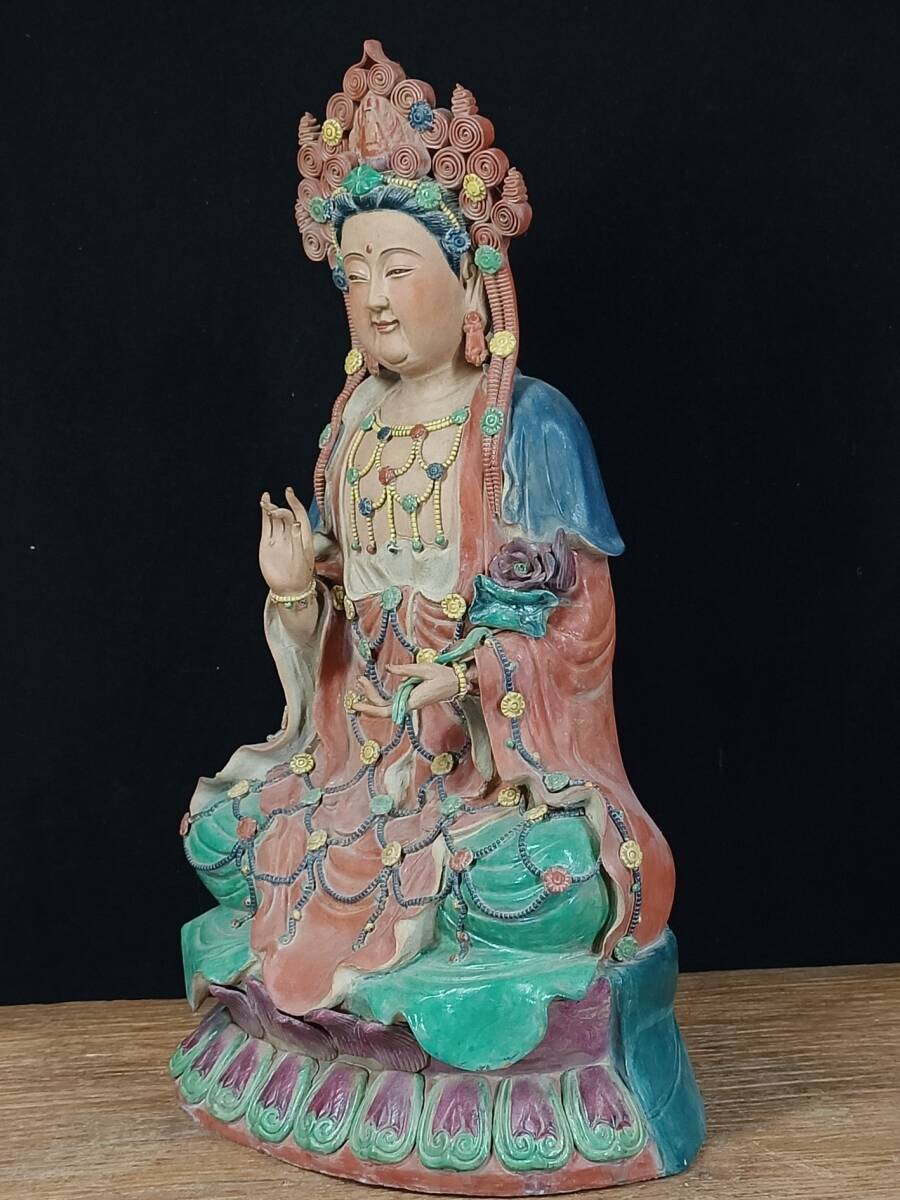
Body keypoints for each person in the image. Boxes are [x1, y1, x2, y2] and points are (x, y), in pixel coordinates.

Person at [177, 45, 703, 1185]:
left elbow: (581, 627)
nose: (373, 295)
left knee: (544, 879)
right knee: (225, 832)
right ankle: (365, 1030)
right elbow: (329, 655)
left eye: (399, 266)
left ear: (471, 286)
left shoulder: (527, 425)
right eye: (355, 271)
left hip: (485, 780)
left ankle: (484, 1071)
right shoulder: (350, 430)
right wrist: (295, 592)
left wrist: (473, 678)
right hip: (362, 765)